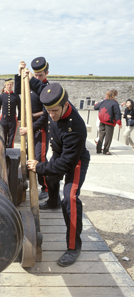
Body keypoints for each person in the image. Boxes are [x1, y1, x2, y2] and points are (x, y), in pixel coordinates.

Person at [26, 83, 90, 267]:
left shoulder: (75, 127)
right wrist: (27, 76)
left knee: (69, 198)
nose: (51, 115)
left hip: (75, 161)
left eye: (54, 111)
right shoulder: (53, 106)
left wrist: (39, 167)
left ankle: (73, 248)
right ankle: (52, 202)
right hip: (60, 154)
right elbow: (42, 88)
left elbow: (67, 164)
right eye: (48, 111)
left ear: (65, 104)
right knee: (51, 176)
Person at [16, 57, 50, 200]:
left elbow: (46, 115)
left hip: (40, 129)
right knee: (28, 156)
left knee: (39, 159)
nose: (37, 78)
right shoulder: (30, 84)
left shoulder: (48, 88)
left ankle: (46, 188)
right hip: (30, 127)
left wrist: (30, 129)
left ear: (47, 73)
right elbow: (18, 90)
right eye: (35, 75)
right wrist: (19, 73)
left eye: (40, 76)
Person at [94, 90, 122, 155]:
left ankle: (98, 149)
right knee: (108, 137)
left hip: (102, 121)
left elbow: (96, 107)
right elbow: (117, 113)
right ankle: (106, 150)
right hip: (110, 122)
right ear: (115, 95)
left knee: (101, 135)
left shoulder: (104, 101)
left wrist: (96, 104)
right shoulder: (115, 103)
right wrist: (119, 122)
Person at [0, 78, 21, 148]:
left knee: (11, 138)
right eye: (8, 85)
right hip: (4, 119)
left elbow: (20, 108)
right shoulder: (1, 96)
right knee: (3, 136)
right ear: (5, 86)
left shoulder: (16, 96)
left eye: (10, 85)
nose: (9, 86)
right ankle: (3, 151)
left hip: (12, 119)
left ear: (12, 85)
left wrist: (19, 119)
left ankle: (10, 152)